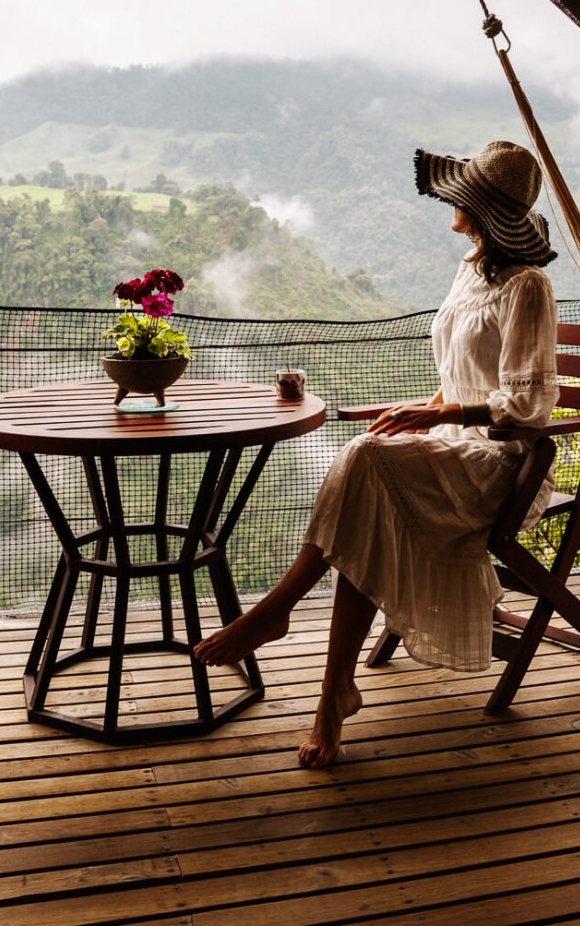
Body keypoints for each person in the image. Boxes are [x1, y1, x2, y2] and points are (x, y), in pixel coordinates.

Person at [195, 140, 559, 767]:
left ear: (481, 208)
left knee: (367, 461)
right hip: (452, 445)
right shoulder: (471, 270)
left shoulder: (528, 286)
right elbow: (462, 375)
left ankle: (278, 616)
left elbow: (528, 408)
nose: (450, 202)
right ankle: (333, 691)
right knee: (369, 482)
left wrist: (438, 413)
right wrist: (425, 407)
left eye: (462, 195)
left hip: (502, 463)